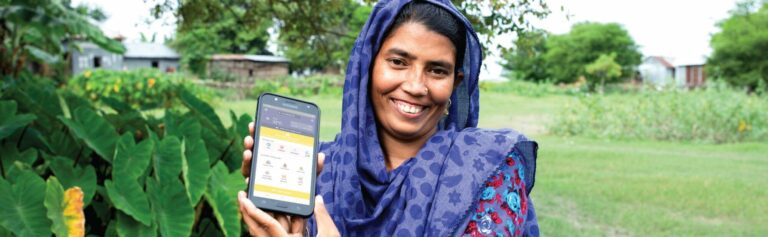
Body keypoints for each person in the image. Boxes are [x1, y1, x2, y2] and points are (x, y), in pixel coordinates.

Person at [237, 0, 540, 236]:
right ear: (367, 66)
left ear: (455, 84)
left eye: (437, 70)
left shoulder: (486, 166)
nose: (415, 86)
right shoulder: (320, 169)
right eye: (398, 62)